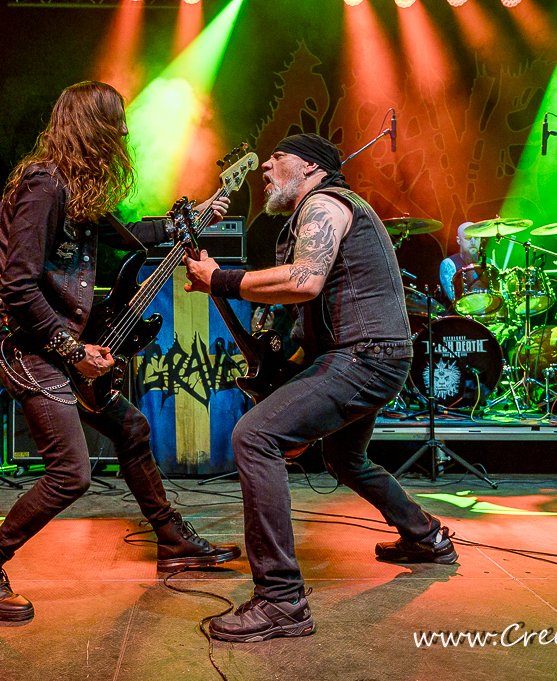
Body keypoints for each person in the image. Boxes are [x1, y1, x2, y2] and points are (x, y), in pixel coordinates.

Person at [0, 81, 240, 623]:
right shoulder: (43, 185)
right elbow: (17, 286)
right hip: (32, 347)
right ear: (92, 127)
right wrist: (72, 348)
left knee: (131, 429)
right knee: (70, 473)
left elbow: (129, 236)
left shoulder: (74, 188)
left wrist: (193, 216)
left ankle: (173, 542)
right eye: (117, 120)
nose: (125, 131)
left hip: (62, 347)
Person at [183, 134, 457, 642]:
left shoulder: (324, 203)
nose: (265, 167)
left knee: (254, 437)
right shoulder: (316, 210)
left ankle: (281, 600)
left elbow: (304, 280)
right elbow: (307, 311)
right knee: (345, 458)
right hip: (372, 356)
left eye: (278, 158)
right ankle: (425, 536)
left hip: (363, 357)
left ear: (310, 167)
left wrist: (221, 280)